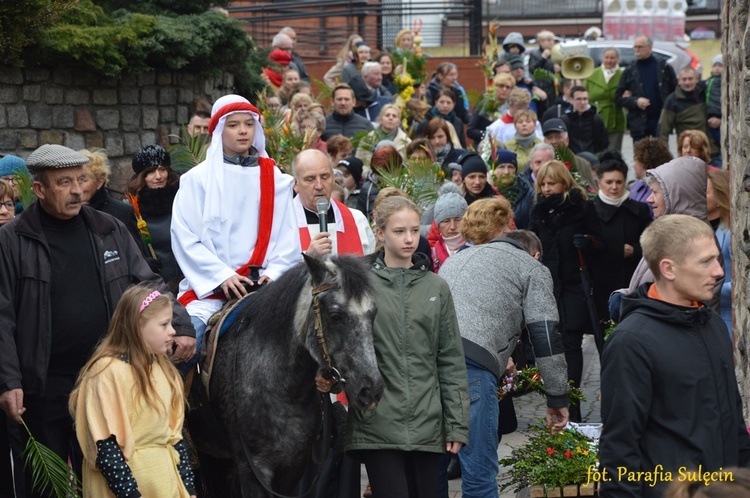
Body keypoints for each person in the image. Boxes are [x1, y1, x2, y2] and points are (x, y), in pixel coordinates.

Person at [0, 144, 195, 497]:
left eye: (81, 179)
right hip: (43, 388)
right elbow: (2, 316)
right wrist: (8, 381)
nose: (77, 190)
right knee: (49, 486)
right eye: (64, 182)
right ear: (39, 189)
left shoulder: (109, 228)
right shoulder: (12, 240)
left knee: (107, 479)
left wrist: (178, 324)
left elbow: (146, 282)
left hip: (108, 380)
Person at [599, 214, 750, 498]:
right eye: (706, 261)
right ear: (668, 268)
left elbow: (734, 422)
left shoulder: (713, 325)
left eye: (717, 259)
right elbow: (620, 447)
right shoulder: (631, 342)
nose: (719, 271)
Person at [439, 197, 569, 498]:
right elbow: (546, 336)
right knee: (479, 475)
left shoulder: (452, 261)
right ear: (509, 224)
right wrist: (557, 395)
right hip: (470, 369)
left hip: (426, 367)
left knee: (433, 474)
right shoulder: (529, 265)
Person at [345, 195, 469, 498]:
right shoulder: (360, 286)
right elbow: (346, 352)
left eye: (415, 230)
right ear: (380, 233)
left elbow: (450, 358)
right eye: (399, 231)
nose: (409, 239)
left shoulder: (436, 287)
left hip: (428, 420)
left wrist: (456, 423)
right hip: (377, 420)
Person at [171, 94, 302, 370]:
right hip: (210, 292)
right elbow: (186, 239)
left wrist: (273, 274)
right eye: (233, 125)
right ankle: (176, 408)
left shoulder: (276, 179)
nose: (243, 131)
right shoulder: (196, 181)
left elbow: (288, 240)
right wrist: (222, 276)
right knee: (186, 341)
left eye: (248, 124)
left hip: (266, 288)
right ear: (219, 130)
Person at [69, 285, 196, 498]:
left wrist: (189, 488)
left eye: (171, 323)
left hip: (164, 483)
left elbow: (176, 437)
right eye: (164, 324)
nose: (173, 331)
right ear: (137, 326)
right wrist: (130, 494)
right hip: (126, 487)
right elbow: (106, 448)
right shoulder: (107, 372)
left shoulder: (165, 369)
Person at [529, 160, 603, 421]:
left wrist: (588, 243)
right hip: (548, 285)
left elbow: (600, 241)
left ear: (564, 182)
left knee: (572, 343)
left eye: (552, 183)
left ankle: (574, 411)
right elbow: (533, 242)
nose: (547, 188)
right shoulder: (537, 212)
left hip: (573, 284)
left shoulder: (581, 208)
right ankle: (558, 405)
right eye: (543, 184)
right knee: (554, 344)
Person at [590, 155, 652, 332]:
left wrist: (635, 250)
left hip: (631, 281)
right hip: (601, 284)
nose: (614, 187)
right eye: (609, 182)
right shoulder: (590, 209)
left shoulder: (638, 209)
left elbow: (652, 243)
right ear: (599, 182)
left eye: (619, 181)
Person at [292, 149, 375, 258]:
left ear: (333, 178)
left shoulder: (357, 220)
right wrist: (308, 257)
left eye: (325, 177)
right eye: (310, 179)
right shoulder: (281, 223)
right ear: (296, 184)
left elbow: (370, 270)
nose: (319, 186)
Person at [128, 145, 183, 284]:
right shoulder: (132, 208)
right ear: (142, 176)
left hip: (189, 279)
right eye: (151, 172)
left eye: (162, 170)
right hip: (155, 284)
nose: (158, 176)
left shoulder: (182, 198)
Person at [78, 148, 143, 250]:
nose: (76, 187)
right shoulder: (66, 213)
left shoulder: (121, 213)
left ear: (100, 182)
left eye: (82, 180)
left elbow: (135, 255)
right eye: (72, 180)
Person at [616, 35, 677, 142]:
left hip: (660, 120)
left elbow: (675, 91)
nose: (636, 50)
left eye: (640, 47)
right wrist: (635, 101)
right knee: (641, 157)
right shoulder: (630, 70)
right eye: (635, 47)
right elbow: (618, 97)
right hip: (639, 123)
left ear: (650, 47)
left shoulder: (663, 67)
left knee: (661, 156)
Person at [658, 66, 717, 155]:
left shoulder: (704, 93)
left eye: (690, 79)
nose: (687, 83)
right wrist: (664, 155)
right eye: (684, 79)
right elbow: (663, 130)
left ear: (697, 79)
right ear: (678, 81)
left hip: (711, 151)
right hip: (688, 153)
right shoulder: (672, 101)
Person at [584, 48, 626, 151]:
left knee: (614, 152)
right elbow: (584, 93)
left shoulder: (623, 75)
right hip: (596, 117)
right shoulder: (592, 74)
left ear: (618, 60)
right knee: (597, 151)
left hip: (616, 119)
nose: (609, 60)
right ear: (602, 58)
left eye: (612, 58)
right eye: (606, 57)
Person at [707, 168, 732, 335]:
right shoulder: (704, 228)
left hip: (728, 318)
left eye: (705, 192)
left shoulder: (730, 232)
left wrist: (711, 288)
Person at [541, 118, 597, 190]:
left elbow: (591, 191)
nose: (554, 141)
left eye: (558, 137)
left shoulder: (583, 164)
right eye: (549, 138)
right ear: (544, 141)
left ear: (567, 140)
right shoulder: (538, 164)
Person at [512, 143, 555, 229]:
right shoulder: (517, 185)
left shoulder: (561, 185)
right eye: (538, 162)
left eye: (547, 163)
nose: (543, 167)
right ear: (531, 164)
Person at [467, 73, 515, 143]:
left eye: (508, 87)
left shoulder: (513, 107)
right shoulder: (483, 104)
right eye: (501, 86)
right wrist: (489, 136)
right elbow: (471, 131)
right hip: (484, 146)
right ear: (495, 87)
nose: (504, 89)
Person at [560, 85, 609, 154]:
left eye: (585, 99)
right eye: (578, 99)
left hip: (592, 158)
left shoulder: (596, 119)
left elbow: (603, 143)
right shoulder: (565, 120)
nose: (582, 102)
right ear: (571, 100)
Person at [630, 136, 673, 209]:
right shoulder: (637, 185)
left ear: (643, 163)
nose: (633, 166)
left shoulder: (660, 191)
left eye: (635, 161)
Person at [429, 191, 468, 271]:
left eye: (458, 220)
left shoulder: (477, 248)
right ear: (438, 225)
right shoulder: (431, 255)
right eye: (446, 221)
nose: (452, 227)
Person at [705, 54, 722, 166]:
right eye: (714, 65)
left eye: (720, 65)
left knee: (720, 140)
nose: (716, 68)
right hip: (709, 113)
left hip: (718, 113)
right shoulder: (710, 80)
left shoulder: (722, 81)